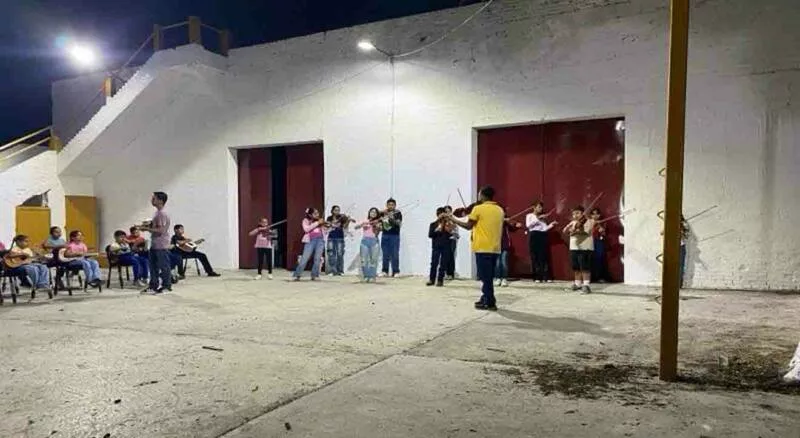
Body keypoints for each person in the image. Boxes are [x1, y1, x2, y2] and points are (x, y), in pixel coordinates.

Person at [448, 186, 504, 311]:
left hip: (482, 247)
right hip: (495, 247)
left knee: (485, 276)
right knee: (488, 275)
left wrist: (453, 219)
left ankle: (490, 302)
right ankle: (486, 298)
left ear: (483, 195)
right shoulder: (499, 210)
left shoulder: (478, 208)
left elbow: (468, 226)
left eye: (479, 194)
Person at [141, 191, 172, 293]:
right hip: (155, 244)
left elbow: (161, 230)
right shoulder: (157, 213)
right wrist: (147, 226)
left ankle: (166, 286)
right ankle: (153, 285)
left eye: (154, 198)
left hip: (161, 244)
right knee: (153, 266)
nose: (152, 200)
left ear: (160, 200)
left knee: (164, 266)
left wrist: (146, 229)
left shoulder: (162, 214)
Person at [563, 206, 596, 294]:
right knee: (576, 267)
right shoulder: (573, 222)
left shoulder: (589, 221)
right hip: (574, 247)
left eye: (577, 213)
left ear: (583, 213)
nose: (575, 215)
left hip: (585, 247)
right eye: (573, 214)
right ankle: (577, 284)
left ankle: (586, 285)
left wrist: (574, 231)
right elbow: (565, 231)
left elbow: (586, 232)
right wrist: (567, 229)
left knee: (585, 267)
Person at [525, 202, 557, 283]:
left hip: (542, 235)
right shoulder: (529, 215)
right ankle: (537, 277)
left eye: (541, 207)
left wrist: (551, 224)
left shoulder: (543, 218)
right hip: (534, 235)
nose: (541, 209)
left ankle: (546, 276)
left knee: (544, 256)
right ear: (534, 207)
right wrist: (538, 218)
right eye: (539, 207)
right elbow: (528, 225)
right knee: (535, 256)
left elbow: (544, 228)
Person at [293, 207, 327, 281]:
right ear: (310, 215)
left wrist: (327, 226)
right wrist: (317, 223)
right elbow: (306, 229)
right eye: (315, 213)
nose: (317, 215)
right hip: (310, 241)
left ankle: (315, 275)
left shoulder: (320, 221)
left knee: (317, 258)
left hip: (320, 240)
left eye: (318, 213)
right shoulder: (306, 220)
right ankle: (297, 275)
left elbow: (326, 230)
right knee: (305, 258)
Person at [496, 208, 523, 287]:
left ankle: (504, 279)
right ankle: (498, 278)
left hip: (505, 244)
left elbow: (512, 228)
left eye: (503, 212)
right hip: (496, 244)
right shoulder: (495, 219)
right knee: (497, 263)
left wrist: (516, 226)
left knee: (503, 262)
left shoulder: (507, 222)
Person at [427, 207, 454, 287]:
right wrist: (437, 230)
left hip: (446, 246)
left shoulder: (448, 224)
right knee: (434, 263)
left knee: (443, 264)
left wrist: (448, 226)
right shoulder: (433, 224)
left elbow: (451, 234)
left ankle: (440, 280)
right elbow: (430, 235)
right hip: (436, 246)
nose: (441, 217)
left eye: (443, 215)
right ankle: (431, 279)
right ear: (437, 215)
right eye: (439, 215)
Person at [357, 207, 382, 282]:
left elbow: (380, 230)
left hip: (374, 241)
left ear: (377, 214)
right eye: (371, 212)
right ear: (369, 213)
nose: (373, 213)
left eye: (375, 212)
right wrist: (362, 225)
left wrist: (377, 226)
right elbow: (356, 227)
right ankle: (366, 276)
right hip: (364, 241)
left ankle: (372, 276)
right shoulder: (366, 221)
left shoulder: (378, 222)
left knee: (373, 260)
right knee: (364, 260)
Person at [326, 205, 352, 276]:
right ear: (332, 211)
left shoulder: (342, 218)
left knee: (340, 254)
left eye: (338, 210)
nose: (337, 211)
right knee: (331, 254)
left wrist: (348, 221)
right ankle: (332, 270)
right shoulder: (329, 218)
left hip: (340, 237)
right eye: (336, 210)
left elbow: (345, 227)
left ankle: (340, 270)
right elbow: (327, 226)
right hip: (331, 237)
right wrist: (332, 224)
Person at [380, 198, 402, 277]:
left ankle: (396, 271)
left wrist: (392, 218)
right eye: (389, 205)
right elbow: (376, 215)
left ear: (395, 205)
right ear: (387, 205)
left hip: (395, 236)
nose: (390, 206)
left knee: (395, 254)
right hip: (385, 235)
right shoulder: (384, 213)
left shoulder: (398, 213)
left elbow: (398, 223)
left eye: (392, 205)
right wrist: (382, 212)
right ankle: (384, 271)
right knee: (385, 254)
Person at [589, 208, 612, 283]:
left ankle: (600, 277)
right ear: (590, 215)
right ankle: (590, 278)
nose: (595, 216)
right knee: (590, 259)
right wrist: (592, 225)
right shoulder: (588, 222)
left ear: (599, 215)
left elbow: (604, 234)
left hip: (599, 242)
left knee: (599, 259)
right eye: (593, 214)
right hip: (589, 242)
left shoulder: (603, 223)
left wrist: (600, 228)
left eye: (597, 214)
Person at [443, 205, 459, 280]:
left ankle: (451, 273)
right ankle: (446, 272)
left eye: (448, 211)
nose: (447, 213)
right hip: (445, 240)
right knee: (445, 256)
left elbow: (455, 230)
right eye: (446, 212)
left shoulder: (453, 219)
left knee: (451, 256)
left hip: (452, 239)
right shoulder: (444, 220)